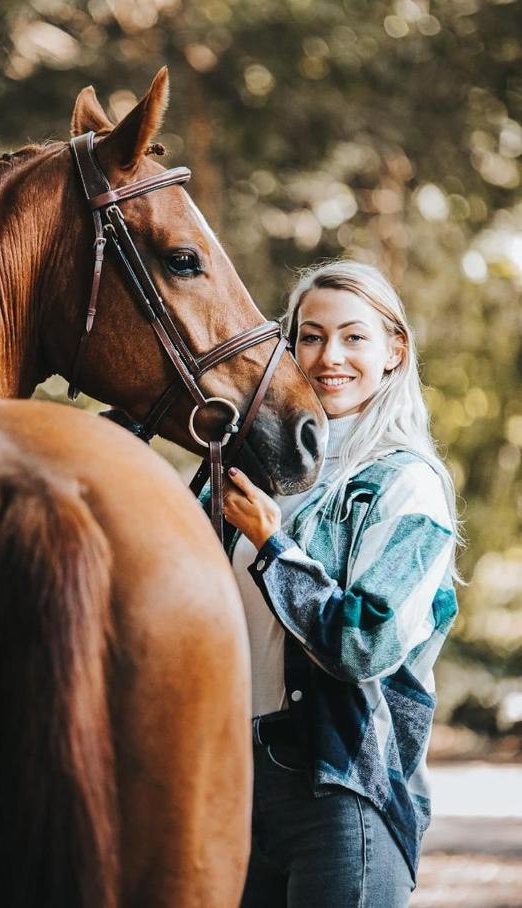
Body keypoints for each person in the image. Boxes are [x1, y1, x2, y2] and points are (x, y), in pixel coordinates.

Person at [221, 260, 460, 907]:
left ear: (394, 351)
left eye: (355, 336)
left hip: (345, 788)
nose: (330, 356)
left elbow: (365, 644)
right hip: (234, 788)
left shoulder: (407, 485)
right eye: (311, 336)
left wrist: (273, 547)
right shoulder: (255, 477)